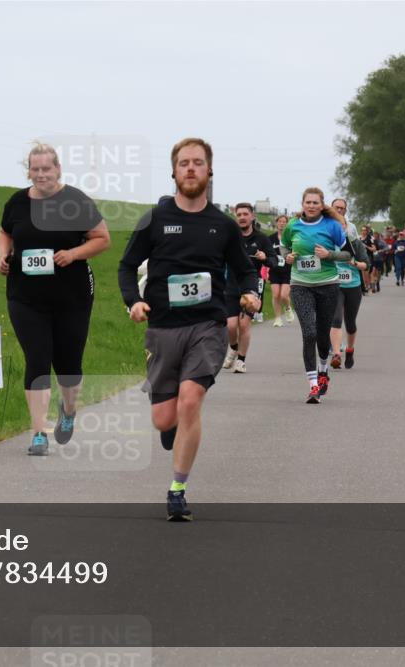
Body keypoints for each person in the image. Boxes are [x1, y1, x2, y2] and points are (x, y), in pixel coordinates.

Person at [118, 137, 259, 521]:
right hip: (163, 327)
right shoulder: (155, 219)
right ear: (174, 171)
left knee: (191, 400)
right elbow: (127, 266)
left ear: (209, 171)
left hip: (207, 326)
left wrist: (250, 292)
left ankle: (177, 488)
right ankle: (173, 425)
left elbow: (246, 269)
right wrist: (134, 302)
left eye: (198, 162)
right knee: (165, 418)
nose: (191, 168)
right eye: (184, 163)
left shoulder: (223, 226)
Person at [0, 143, 111, 456]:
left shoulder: (75, 201)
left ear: (58, 170)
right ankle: (38, 433)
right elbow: (4, 232)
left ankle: (69, 411)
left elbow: (103, 239)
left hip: (71, 297)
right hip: (25, 297)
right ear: (29, 171)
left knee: (68, 366)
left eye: (46, 169)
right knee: (37, 358)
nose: (41, 174)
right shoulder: (17, 202)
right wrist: (2, 256)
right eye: (35, 169)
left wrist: (73, 253)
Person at [280, 188, 349, 403]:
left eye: (315, 203)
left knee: (321, 334)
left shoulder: (332, 226)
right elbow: (284, 248)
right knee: (308, 332)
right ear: (302, 204)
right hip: (300, 284)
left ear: (321, 205)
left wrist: (330, 255)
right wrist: (288, 257)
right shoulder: (293, 225)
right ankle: (313, 385)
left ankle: (323, 370)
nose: (311, 206)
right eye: (307, 202)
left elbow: (348, 254)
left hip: (328, 284)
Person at [222, 203, 277, 373]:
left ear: (252, 216)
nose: (242, 217)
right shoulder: (230, 237)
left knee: (244, 324)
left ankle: (241, 360)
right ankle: (233, 347)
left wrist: (265, 258)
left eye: (245, 214)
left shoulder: (261, 239)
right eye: (239, 214)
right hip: (231, 284)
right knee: (231, 325)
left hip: (251, 284)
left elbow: (275, 261)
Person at [328, 200, 370, 370]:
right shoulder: (327, 239)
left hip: (352, 284)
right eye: (336, 208)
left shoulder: (355, 242)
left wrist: (355, 264)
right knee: (336, 319)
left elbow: (366, 264)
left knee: (350, 323)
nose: (341, 228)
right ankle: (337, 353)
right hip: (334, 283)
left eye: (342, 209)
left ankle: (350, 350)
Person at [268, 215, 294, 326]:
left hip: (288, 269)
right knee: (275, 295)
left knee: (283, 295)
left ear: (287, 224)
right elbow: (267, 253)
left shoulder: (291, 238)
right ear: (276, 223)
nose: (282, 224)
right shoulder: (270, 238)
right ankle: (277, 318)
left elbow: (296, 251)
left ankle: (288, 308)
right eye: (280, 221)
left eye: (284, 222)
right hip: (274, 269)